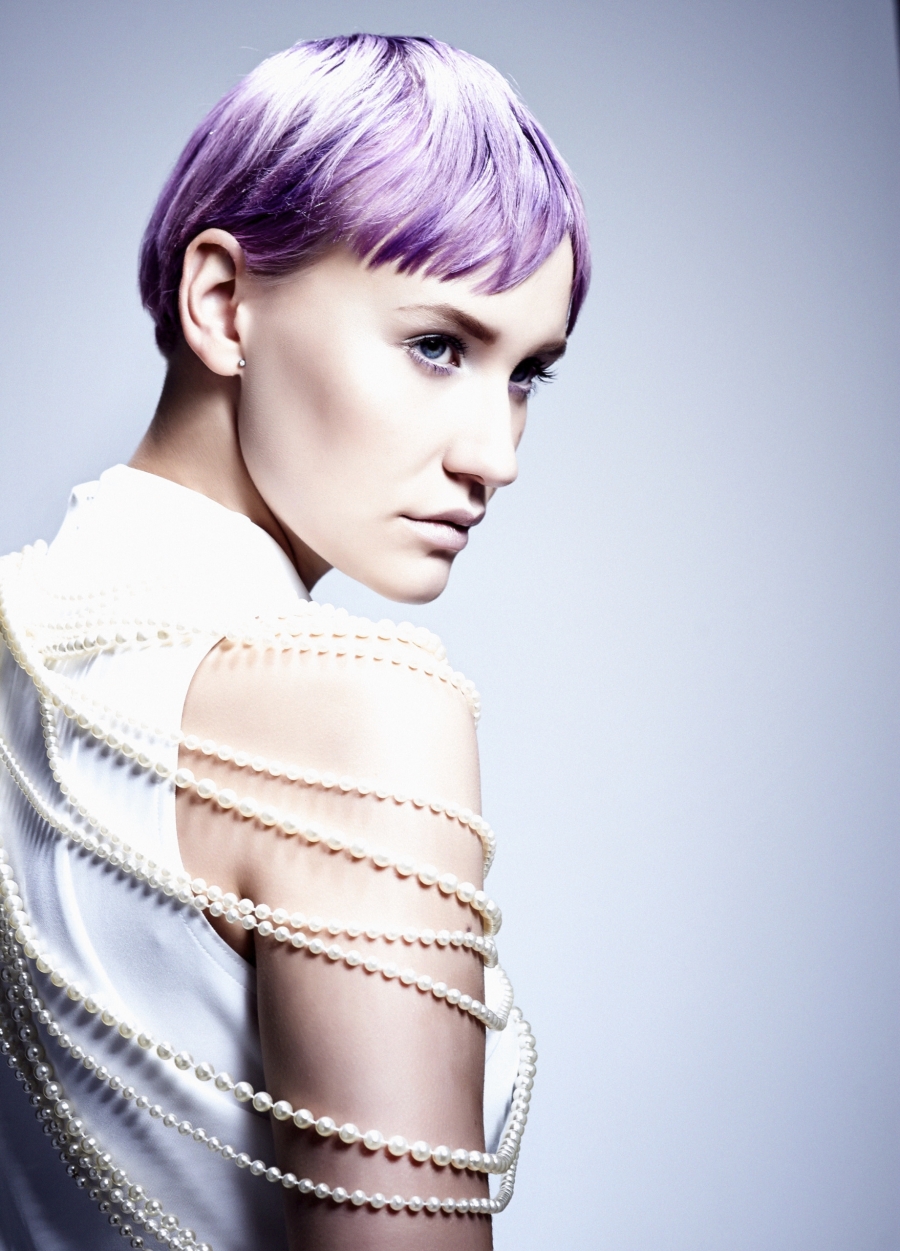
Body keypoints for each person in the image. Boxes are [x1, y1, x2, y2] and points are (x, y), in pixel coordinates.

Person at [0, 33, 589, 1251]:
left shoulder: (22, 636)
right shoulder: (357, 711)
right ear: (225, 303)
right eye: (438, 345)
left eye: (528, 373)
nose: (497, 456)